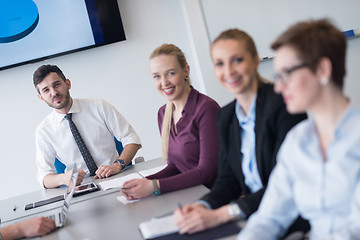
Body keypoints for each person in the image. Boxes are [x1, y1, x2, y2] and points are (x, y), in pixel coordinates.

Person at [174, 29, 308, 235]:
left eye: (237, 60)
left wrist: (223, 214)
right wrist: (203, 205)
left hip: (293, 219)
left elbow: (285, 186)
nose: (228, 71)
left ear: (255, 61)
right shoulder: (226, 117)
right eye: (219, 63)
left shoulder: (283, 106)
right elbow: (228, 181)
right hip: (255, 216)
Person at [238, 19, 360, 239]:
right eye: (277, 76)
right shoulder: (297, 140)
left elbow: (354, 230)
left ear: (322, 69)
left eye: (287, 73)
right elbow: (269, 218)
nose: (278, 86)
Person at [121, 44, 220, 199]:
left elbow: (206, 171)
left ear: (186, 71)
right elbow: (175, 166)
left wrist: (154, 186)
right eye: (157, 76)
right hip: (189, 193)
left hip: (214, 195)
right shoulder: (163, 113)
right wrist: (143, 183)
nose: (164, 82)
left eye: (171, 73)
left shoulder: (207, 109)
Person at [34, 65, 141, 189]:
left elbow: (132, 139)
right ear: (41, 97)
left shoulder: (99, 106)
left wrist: (117, 165)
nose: (54, 93)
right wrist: (63, 178)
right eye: (46, 90)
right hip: (82, 188)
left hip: (115, 178)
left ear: (68, 84)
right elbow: (43, 176)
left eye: (57, 84)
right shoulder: (44, 131)